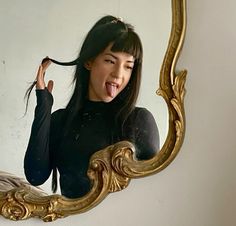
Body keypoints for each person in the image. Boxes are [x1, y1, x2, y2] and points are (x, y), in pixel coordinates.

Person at [24, 15, 159, 199]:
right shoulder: (60, 121)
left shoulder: (139, 121)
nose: (119, 74)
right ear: (89, 61)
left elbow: (154, 194)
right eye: (110, 61)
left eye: (128, 66)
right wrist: (43, 108)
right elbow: (35, 176)